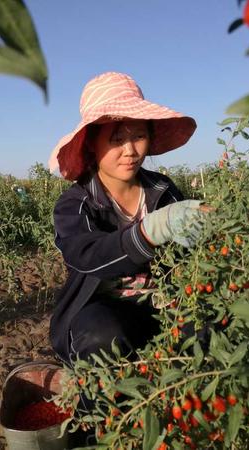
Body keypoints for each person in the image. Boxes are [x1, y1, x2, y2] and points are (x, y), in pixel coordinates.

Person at [47, 72, 205, 369]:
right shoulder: (75, 204)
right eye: (116, 139)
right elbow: (86, 256)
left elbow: (187, 256)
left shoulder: (162, 190)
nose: (130, 151)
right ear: (92, 143)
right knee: (101, 336)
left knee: (204, 326)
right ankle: (94, 410)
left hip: (162, 305)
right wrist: (149, 232)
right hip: (103, 309)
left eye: (139, 136)